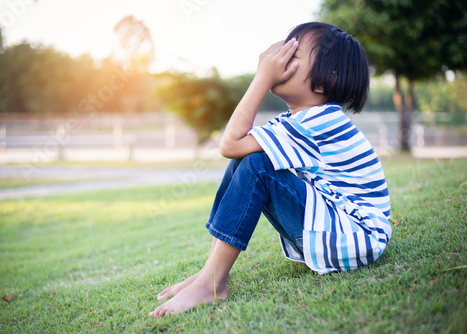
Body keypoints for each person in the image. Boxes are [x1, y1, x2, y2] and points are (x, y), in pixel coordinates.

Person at [149, 22, 392, 318]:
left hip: (354, 237)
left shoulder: (318, 123)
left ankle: (212, 283)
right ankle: (208, 274)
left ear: (324, 81)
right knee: (247, 159)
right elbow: (236, 148)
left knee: (257, 165)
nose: (278, 62)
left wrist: (261, 78)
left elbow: (229, 143)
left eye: (292, 57)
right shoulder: (298, 121)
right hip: (339, 230)